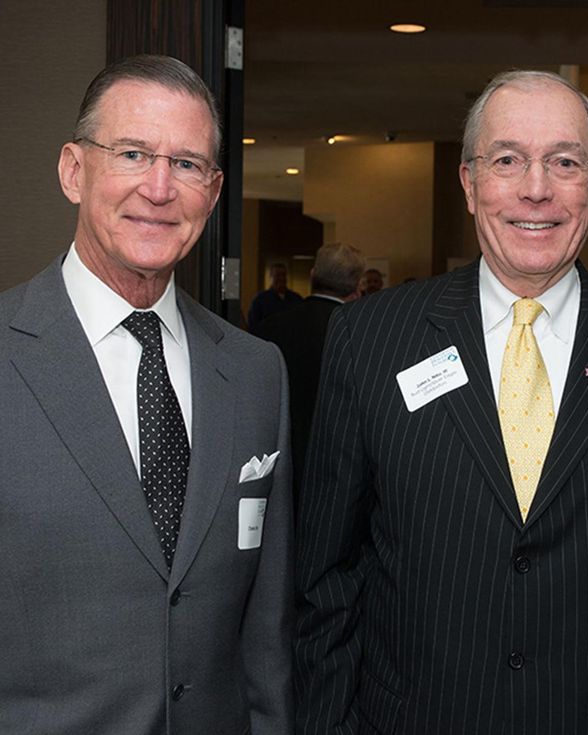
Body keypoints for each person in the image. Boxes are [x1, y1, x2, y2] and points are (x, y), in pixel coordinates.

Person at [296, 70, 588, 734]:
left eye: (564, 162)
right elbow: (328, 579)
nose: (537, 188)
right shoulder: (369, 339)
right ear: (471, 184)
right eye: (508, 160)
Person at [0, 55, 293, 733]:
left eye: (187, 164)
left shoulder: (255, 373)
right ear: (74, 170)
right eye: (133, 153)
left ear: (213, 192)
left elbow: (267, 631)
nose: (160, 188)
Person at [254, 243, 365, 491]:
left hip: (274, 461)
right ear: (358, 286)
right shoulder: (362, 337)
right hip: (338, 470)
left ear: (314, 275)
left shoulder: (270, 327)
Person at [247, 262, 302, 330]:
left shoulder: (296, 299)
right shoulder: (260, 300)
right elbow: (253, 326)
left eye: (283, 275)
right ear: (271, 277)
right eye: (277, 275)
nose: (281, 278)